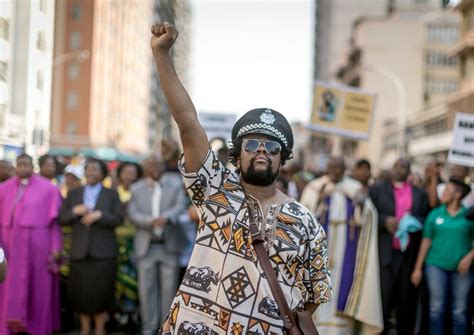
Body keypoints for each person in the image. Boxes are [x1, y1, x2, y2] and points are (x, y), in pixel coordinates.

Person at [151, 21, 331, 334]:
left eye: (272, 146)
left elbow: (314, 294)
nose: (262, 150)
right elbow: (188, 123)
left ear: (281, 158)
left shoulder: (306, 222)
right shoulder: (214, 189)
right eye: (252, 144)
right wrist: (162, 54)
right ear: (238, 154)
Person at [300, 157, 383, 334]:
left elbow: (369, 215)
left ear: (344, 169)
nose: (335, 171)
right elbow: (302, 217)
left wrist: (361, 205)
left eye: (339, 167)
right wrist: (319, 201)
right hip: (319, 249)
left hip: (347, 248)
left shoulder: (354, 189)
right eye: (332, 167)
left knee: (342, 285)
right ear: (327, 168)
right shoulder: (315, 188)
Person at [60, 158, 124, 335]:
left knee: (101, 292)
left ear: (103, 173)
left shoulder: (111, 193)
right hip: (79, 252)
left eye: (95, 169)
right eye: (88, 169)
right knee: (80, 292)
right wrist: (75, 211)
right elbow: (62, 218)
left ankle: (100, 329)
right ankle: (85, 329)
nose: (91, 173)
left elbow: (119, 219)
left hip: (103, 252)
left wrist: (100, 215)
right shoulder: (74, 193)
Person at [0, 154, 62, 335]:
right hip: (9, 244)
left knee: (39, 287)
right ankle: (6, 327)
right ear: (16, 166)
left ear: (32, 166)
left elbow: (54, 224)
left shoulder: (49, 189)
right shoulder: (3, 189)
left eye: (26, 164)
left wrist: (56, 248)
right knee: (6, 284)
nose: (23, 168)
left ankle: (37, 327)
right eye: (20, 164)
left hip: (38, 245)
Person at [128, 156, 188, 335]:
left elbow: (180, 205)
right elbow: (132, 213)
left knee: (169, 290)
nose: (155, 167)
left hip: (169, 245)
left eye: (158, 164)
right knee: (146, 290)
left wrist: (166, 217)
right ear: (145, 166)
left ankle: (166, 328)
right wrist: (150, 221)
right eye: (151, 164)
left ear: (164, 166)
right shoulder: (136, 188)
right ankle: (149, 327)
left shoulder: (176, 184)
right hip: (146, 247)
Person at [369, 158, 429, 334]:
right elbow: (368, 215)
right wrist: (385, 220)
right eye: (396, 166)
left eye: (404, 167)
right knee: (383, 300)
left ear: (409, 171)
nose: (399, 170)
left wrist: (412, 222)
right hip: (384, 253)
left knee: (406, 300)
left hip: (408, 255)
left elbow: (426, 219)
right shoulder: (378, 189)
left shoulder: (420, 194)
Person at [411, 178, 473, 335]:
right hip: (435, 266)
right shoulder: (435, 214)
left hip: (462, 270)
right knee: (436, 310)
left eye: (446, 190)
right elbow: (426, 242)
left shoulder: (468, 216)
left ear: (458, 194)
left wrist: (469, 257)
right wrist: (417, 269)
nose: (442, 193)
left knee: (460, 312)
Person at [114, 161, 142, 330]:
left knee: (134, 279)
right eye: (126, 172)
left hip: (138, 242)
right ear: (120, 175)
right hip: (116, 242)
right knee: (119, 280)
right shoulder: (113, 193)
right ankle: (120, 314)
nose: (129, 176)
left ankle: (133, 314)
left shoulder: (142, 192)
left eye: (133, 173)